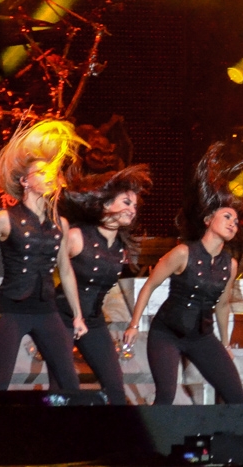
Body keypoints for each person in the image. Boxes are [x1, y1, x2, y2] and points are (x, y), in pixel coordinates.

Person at [0, 119, 86, 394]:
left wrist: (77, 315)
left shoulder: (60, 224)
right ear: (24, 181)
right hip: (12, 310)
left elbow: (65, 271)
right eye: (40, 173)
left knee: (70, 383)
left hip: (47, 310)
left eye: (50, 172)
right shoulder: (4, 219)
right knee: (0, 384)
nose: (48, 177)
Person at [123, 144, 243, 405]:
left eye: (236, 222)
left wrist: (225, 344)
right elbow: (150, 285)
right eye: (227, 217)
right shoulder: (183, 253)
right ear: (208, 220)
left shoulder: (230, 264)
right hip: (167, 333)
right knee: (166, 397)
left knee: (236, 396)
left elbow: (223, 305)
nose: (232, 224)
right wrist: (134, 325)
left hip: (202, 336)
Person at [57, 164, 151, 405]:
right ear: (106, 205)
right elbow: (48, 271)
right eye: (126, 203)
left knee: (115, 386)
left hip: (93, 320)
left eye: (134, 206)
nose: (132, 210)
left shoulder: (119, 247)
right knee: (63, 386)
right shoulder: (77, 236)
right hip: (61, 317)